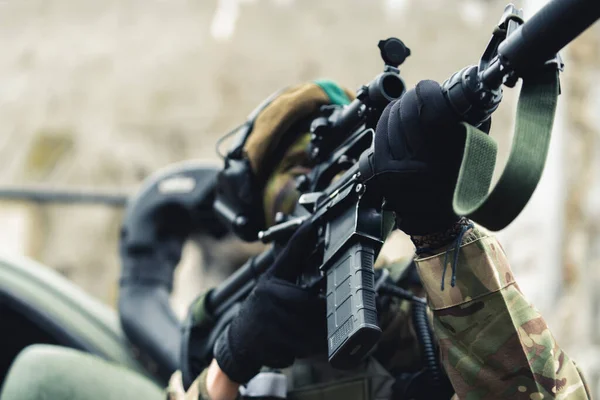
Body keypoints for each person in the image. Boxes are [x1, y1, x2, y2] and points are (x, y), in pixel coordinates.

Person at [0, 80, 591, 400]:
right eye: (291, 169)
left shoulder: (419, 302)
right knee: (43, 377)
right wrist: (229, 367)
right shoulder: (235, 317)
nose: (311, 175)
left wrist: (441, 237)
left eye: (321, 157)